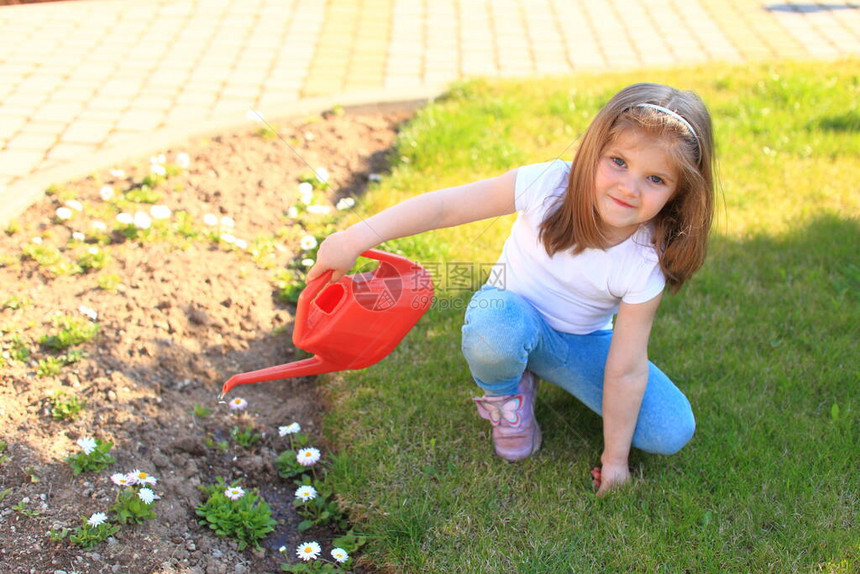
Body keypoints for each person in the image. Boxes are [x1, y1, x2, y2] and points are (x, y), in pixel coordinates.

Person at [306, 83, 716, 496]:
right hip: (508, 313)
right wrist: (354, 238)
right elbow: (446, 206)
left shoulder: (645, 260)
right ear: (593, 150)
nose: (630, 187)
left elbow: (626, 367)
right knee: (495, 328)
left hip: (578, 343)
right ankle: (507, 394)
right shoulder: (548, 184)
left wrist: (615, 459)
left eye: (655, 179)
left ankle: (533, 366)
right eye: (618, 161)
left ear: (679, 192)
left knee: (670, 430)